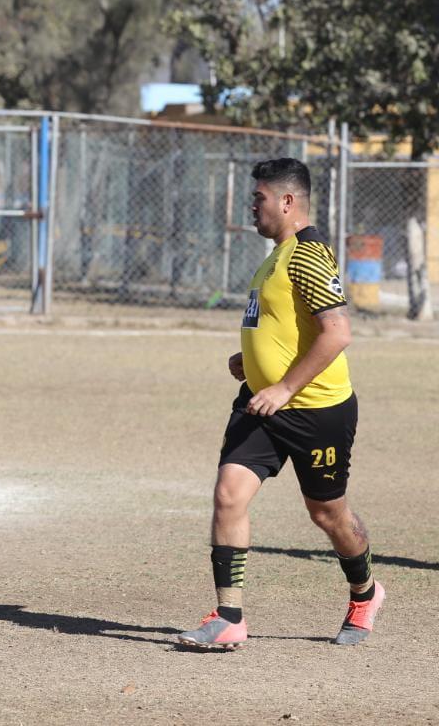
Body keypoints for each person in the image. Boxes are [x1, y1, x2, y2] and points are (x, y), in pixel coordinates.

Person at [177, 158, 383, 650]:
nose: (252, 206)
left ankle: (366, 592)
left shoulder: (310, 254)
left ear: (288, 202)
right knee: (229, 492)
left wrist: (284, 387)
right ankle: (229, 617)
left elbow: (337, 334)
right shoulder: (276, 254)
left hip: (316, 411)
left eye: (259, 198)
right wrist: (248, 360)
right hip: (262, 403)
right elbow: (281, 325)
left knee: (328, 515)